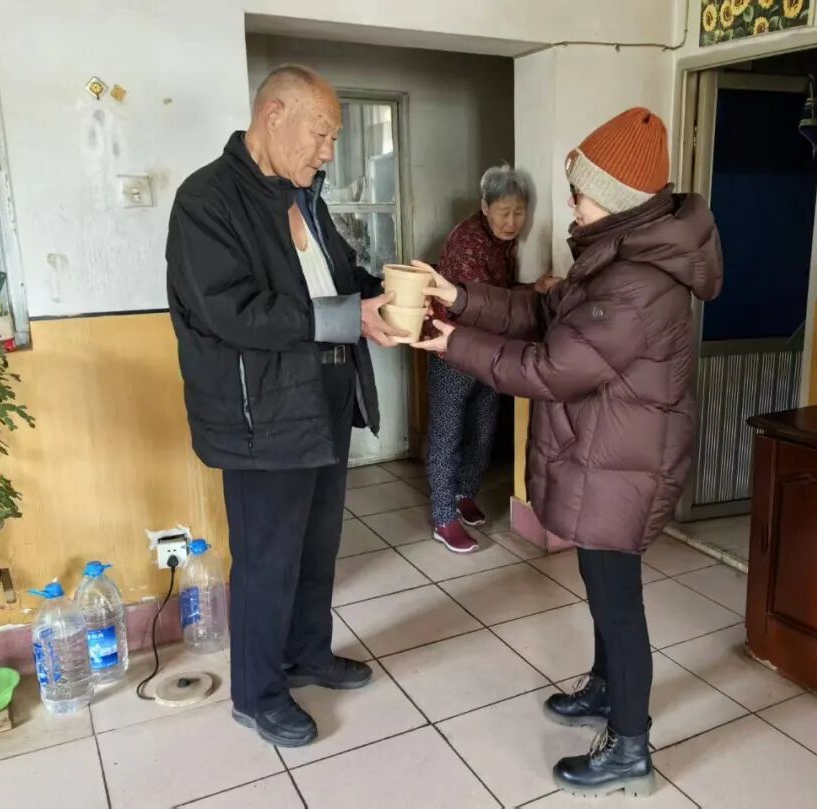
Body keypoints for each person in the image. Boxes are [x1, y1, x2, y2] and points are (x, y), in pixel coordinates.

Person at [414, 107, 722, 797]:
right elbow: (542, 315)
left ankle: (631, 748)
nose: (572, 206)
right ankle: (606, 689)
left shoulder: (637, 282)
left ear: (616, 198)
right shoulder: (617, 257)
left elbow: (551, 368)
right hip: (607, 457)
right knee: (602, 587)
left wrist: (452, 342)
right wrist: (457, 297)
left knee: (618, 603)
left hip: (624, 465)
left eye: (580, 194)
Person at [166, 65, 406, 748]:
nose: (328, 151)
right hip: (260, 413)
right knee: (267, 557)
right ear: (274, 115)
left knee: (317, 545)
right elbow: (233, 311)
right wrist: (347, 317)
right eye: (321, 134)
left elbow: (337, 278)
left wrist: (384, 294)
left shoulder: (306, 196)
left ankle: (307, 654)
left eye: (333, 139)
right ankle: (258, 693)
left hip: (322, 397)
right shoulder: (206, 200)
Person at [426, 164, 530, 553]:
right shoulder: (467, 242)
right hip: (451, 348)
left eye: (519, 212)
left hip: (487, 350)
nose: (511, 221)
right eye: (503, 212)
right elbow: (482, 306)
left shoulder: (504, 244)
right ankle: (443, 517)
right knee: (448, 432)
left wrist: (533, 288)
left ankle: (464, 493)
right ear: (485, 207)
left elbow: (500, 295)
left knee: (484, 427)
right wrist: (529, 296)